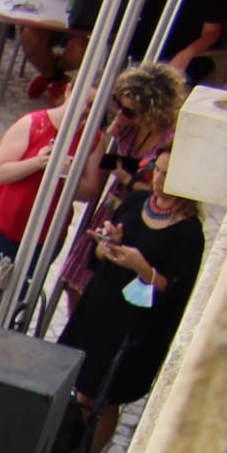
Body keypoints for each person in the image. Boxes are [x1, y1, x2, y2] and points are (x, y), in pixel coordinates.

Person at [53, 173, 206, 453]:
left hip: (135, 325)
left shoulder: (189, 232)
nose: (162, 179)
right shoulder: (137, 201)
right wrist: (107, 245)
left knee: (104, 397)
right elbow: (101, 253)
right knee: (83, 388)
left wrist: (141, 266)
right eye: (159, 171)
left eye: (169, 173)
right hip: (101, 307)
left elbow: (176, 290)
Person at [55, 66, 188, 309]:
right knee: (76, 278)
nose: (122, 113)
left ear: (151, 111)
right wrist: (112, 131)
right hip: (111, 205)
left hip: (140, 209)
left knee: (104, 282)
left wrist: (129, 180)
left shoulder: (169, 138)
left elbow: (163, 186)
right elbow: (108, 158)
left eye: (129, 110)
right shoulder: (128, 125)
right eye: (119, 105)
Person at [0, 101, 62, 336]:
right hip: (1, 223)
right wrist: (38, 162)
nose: (88, 110)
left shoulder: (92, 139)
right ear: (70, 91)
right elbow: (0, 172)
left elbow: (89, 189)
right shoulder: (33, 123)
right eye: (87, 103)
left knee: (19, 298)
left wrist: (67, 170)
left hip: (45, 233)